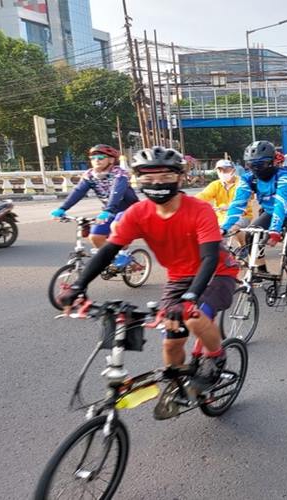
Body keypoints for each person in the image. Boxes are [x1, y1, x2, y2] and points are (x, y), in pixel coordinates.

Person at [58, 146, 238, 399]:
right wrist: (79, 286)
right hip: (178, 277)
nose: (157, 183)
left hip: (216, 273)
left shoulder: (199, 209)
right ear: (138, 180)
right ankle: (177, 381)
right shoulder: (137, 213)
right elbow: (109, 250)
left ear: (179, 177)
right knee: (171, 341)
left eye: (165, 177)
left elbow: (209, 257)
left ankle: (216, 357)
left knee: (194, 317)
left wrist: (189, 299)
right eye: (148, 178)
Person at [221, 140, 287, 308]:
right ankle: (262, 271)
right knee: (250, 236)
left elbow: (282, 203)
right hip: (271, 212)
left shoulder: (284, 175)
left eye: (261, 164)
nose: (256, 169)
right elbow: (238, 203)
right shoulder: (248, 178)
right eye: (251, 165)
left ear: (272, 162)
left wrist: (274, 230)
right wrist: (224, 228)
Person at [50, 144, 138, 248]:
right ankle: (109, 259)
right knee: (95, 236)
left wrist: (108, 210)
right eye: (93, 158)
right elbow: (78, 192)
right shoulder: (90, 175)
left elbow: (116, 192)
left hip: (129, 211)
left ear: (111, 160)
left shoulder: (119, 174)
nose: (96, 160)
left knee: (118, 233)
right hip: (110, 212)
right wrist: (62, 208)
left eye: (100, 157)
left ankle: (124, 254)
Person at [196, 159, 253, 248]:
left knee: (232, 228)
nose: (222, 172)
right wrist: (192, 202)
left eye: (226, 170)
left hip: (242, 215)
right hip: (220, 216)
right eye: (220, 170)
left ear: (233, 170)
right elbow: (204, 195)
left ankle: (243, 247)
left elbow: (247, 199)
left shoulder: (242, 183)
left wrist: (229, 206)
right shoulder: (215, 185)